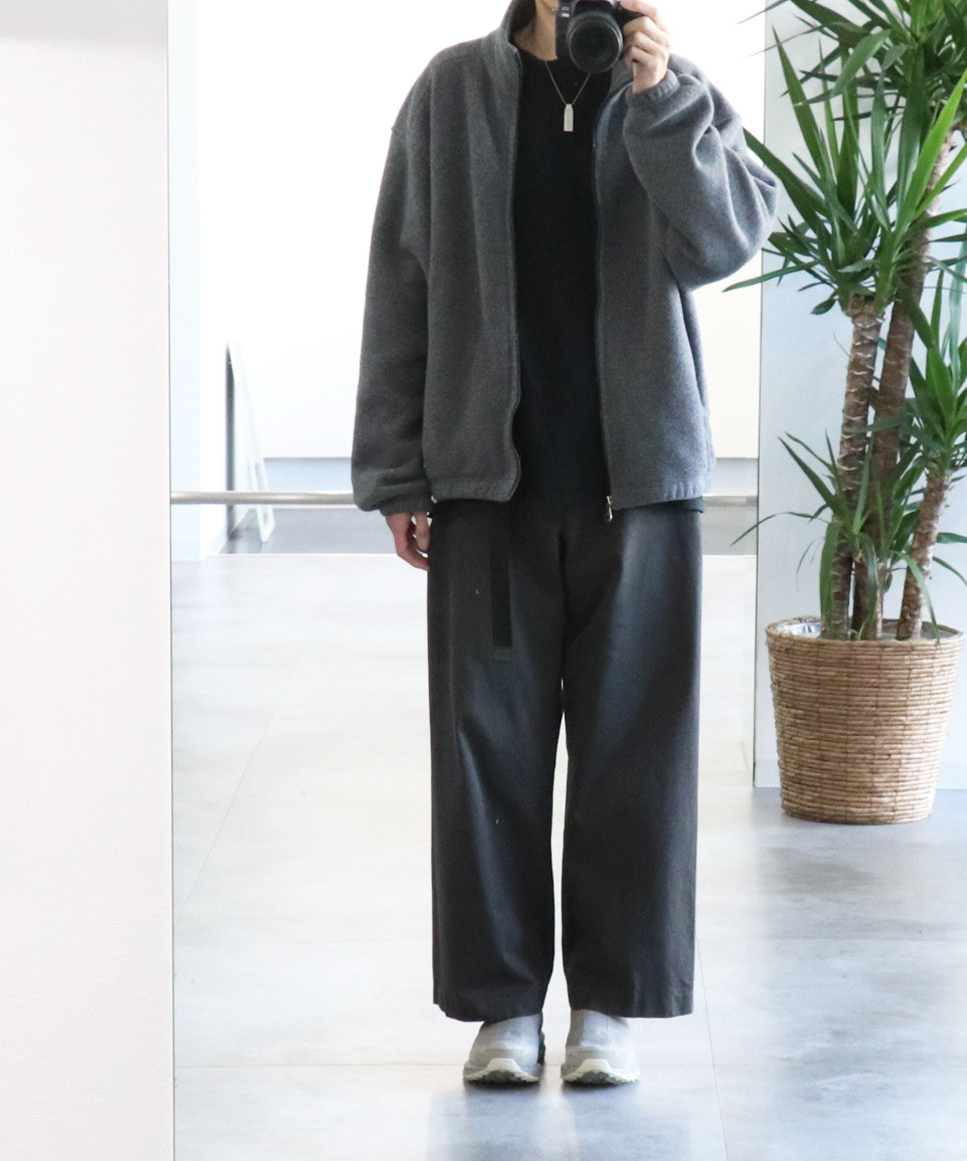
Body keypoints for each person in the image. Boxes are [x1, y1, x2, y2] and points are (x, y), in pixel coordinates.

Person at [351, 0, 779, 1086]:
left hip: (638, 490)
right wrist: (396, 470)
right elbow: (400, 280)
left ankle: (607, 1006)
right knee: (483, 755)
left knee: (635, 755)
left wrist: (660, 99)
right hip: (488, 488)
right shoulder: (451, 93)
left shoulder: (673, 90)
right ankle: (502, 1008)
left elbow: (726, 241)